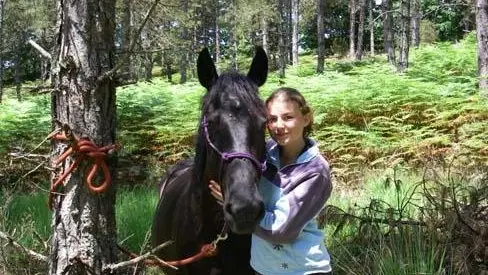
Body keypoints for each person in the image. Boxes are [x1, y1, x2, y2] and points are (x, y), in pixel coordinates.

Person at [209, 87, 333, 275]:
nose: (278, 126)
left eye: (288, 117)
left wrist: (238, 212)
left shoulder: (315, 171)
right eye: (272, 119)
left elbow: (281, 232)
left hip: (302, 269)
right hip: (263, 267)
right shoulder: (264, 154)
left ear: (306, 119)